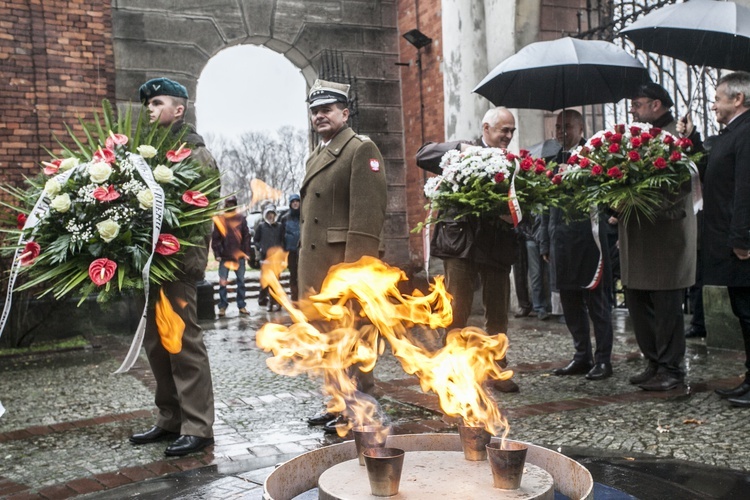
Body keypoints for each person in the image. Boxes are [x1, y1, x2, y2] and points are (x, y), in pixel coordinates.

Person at [129, 77, 216, 456]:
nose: (150, 109)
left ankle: (198, 426)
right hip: (152, 265)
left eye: (157, 102)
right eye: (147, 104)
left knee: (184, 344)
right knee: (156, 344)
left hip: (177, 264)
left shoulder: (195, 154)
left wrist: (183, 262)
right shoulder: (150, 153)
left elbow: (200, 214)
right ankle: (170, 418)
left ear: (179, 109)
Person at [298, 79, 387, 432]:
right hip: (317, 268)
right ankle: (338, 401)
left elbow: (367, 218)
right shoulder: (318, 154)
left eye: (328, 110)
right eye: (315, 111)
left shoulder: (360, 149)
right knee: (329, 340)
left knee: (352, 338)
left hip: (343, 268)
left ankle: (359, 406)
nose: (320, 116)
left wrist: (355, 276)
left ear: (345, 113)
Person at [415, 107, 519, 393]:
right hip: (460, 244)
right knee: (455, 311)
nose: (508, 136)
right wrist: (461, 149)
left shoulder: (514, 163)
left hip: (497, 245)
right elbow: (422, 155)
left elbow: (525, 205)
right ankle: (451, 370)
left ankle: (498, 370)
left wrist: (513, 217)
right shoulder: (464, 151)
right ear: (486, 128)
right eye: (503, 130)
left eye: (511, 131)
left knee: (497, 313)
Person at [622, 82, 700, 391]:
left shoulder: (677, 135)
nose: (633, 110)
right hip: (638, 234)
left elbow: (683, 183)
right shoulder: (634, 138)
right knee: (638, 302)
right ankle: (653, 361)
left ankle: (671, 368)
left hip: (666, 233)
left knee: (667, 307)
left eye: (637, 104)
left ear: (656, 105)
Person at [544, 110, 613, 380]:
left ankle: (604, 359)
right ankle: (581, 355)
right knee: (570, 301)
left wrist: (578, 171)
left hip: (589, 239)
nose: (561, 132)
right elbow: (546, 207)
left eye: (567, 126)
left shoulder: (593, 157)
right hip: (561, 239)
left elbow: (605, 193)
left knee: (597, 302)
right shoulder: (550, 161)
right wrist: (545, 242)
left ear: (580, 127)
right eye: (558, 127)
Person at [699, 72, 750, 407]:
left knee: (748, 312)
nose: (714, 104)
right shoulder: (733, 132)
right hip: (728, 241)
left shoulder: (746, 133)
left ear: (737, 99)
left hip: (741, 245)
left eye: (718, 98)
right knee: (743, 311)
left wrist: (742, 238)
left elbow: (745, 188)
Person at [211, 196, 252, 317]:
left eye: (232, 203)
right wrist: (218, 254)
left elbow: (246, 237)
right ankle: (222, 306)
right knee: (223, 282)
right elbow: (216, 238)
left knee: (241, 282)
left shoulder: (241, 219)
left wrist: (246, 253)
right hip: (224, 257)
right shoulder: (220, 219)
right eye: (228, 203)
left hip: (238, 256)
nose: (230, 206)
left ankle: (242, 305)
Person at [254, 204, 285, 312]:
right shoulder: (261, 227)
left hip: (276, 259)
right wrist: (261, 248)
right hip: (265, 259)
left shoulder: (280, 226)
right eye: (268, 214)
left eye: (272, 214)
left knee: (276, 282)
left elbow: (283, 240)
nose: (270, 216)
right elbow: (256, 240)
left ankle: (276, 302)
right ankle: (267, 302)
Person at [280, 194, 301, 301]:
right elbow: (282, 235)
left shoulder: (303, 217)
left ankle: (302, 295)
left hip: (302, 250)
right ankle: (294, 295)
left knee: (302, 273)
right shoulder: (284, 218)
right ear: (290, 204)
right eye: (293, 202)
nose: (295, 203)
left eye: (297, 201)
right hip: (291, 250)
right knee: (293, 274)